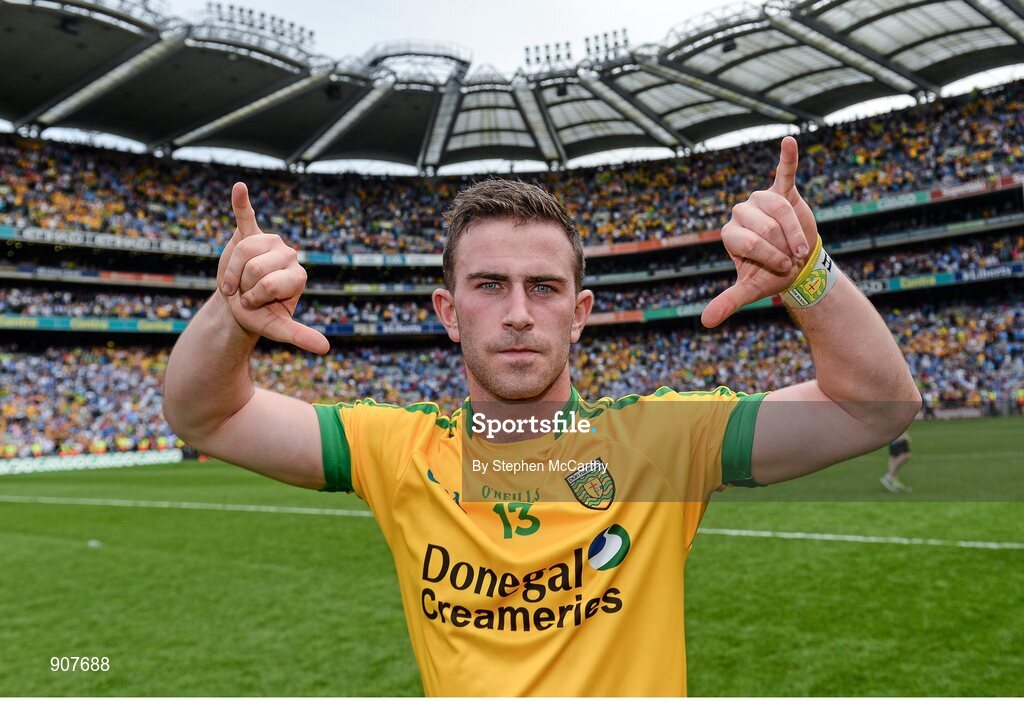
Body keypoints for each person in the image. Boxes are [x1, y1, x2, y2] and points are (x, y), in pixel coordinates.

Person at [163, 137, 921, 696]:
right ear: (449, 312)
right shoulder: (391, 446)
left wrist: (808, 275)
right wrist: (231, 316)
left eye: (545, 287)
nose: (519, 314)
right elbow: (204, 415)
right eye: (490, 285)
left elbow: (874, 407)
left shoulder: (667, 439)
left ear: (581, 312)